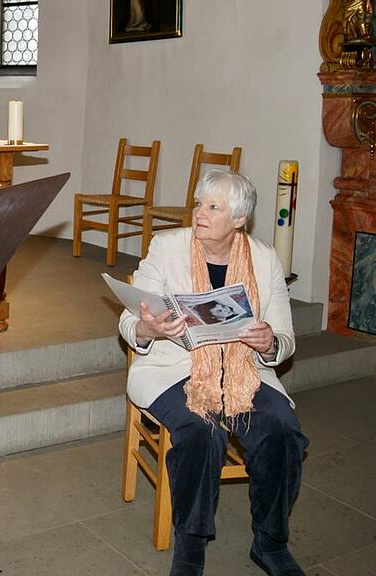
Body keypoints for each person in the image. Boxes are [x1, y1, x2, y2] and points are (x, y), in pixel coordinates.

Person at [119, 170, 308, 576]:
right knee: (202, 433)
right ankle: (190, 549)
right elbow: (129, 320)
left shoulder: (264, 258)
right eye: (198, 204)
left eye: (213, 207)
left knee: (282, 431)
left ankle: (270, 543)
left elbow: (285, 338)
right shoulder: (167, 247)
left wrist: (269, 342)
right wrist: (148, 328)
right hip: (175, 367)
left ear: (239, 219)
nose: (199, 213)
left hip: (243, 369)